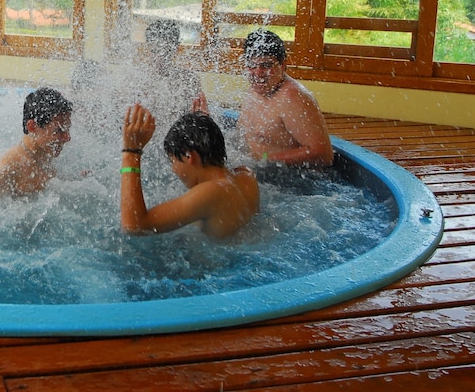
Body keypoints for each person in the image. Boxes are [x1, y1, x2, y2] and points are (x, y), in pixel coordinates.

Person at [120, 105, 259, 238]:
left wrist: (131, 151)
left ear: (189, 156)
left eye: (173, 161)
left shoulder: (212, 192)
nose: (173, 169)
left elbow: (134, 226)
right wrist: (203, 126)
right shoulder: (246, 174)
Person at [237, 29, 333, 167]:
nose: (258, 73)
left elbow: (323, 154)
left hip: (290, 176)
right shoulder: (254, 91)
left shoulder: (293, 97)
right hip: (259, 169)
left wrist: (264, 159)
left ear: (282, 65)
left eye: (266, 65)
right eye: (252, 65)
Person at [0, 88, 73, 197]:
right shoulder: (3, 174)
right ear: (32, 127)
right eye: (58, 130)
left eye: (67, 129)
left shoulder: (45, 153)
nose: (67, 138)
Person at [125, 19, 207, 125]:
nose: (160, 57)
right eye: (155, 50)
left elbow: (197, 121)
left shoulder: (189, 80)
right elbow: (127, 119)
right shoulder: (135, 80)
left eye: (166, 51)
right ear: (148, 47)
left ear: (176, 47)